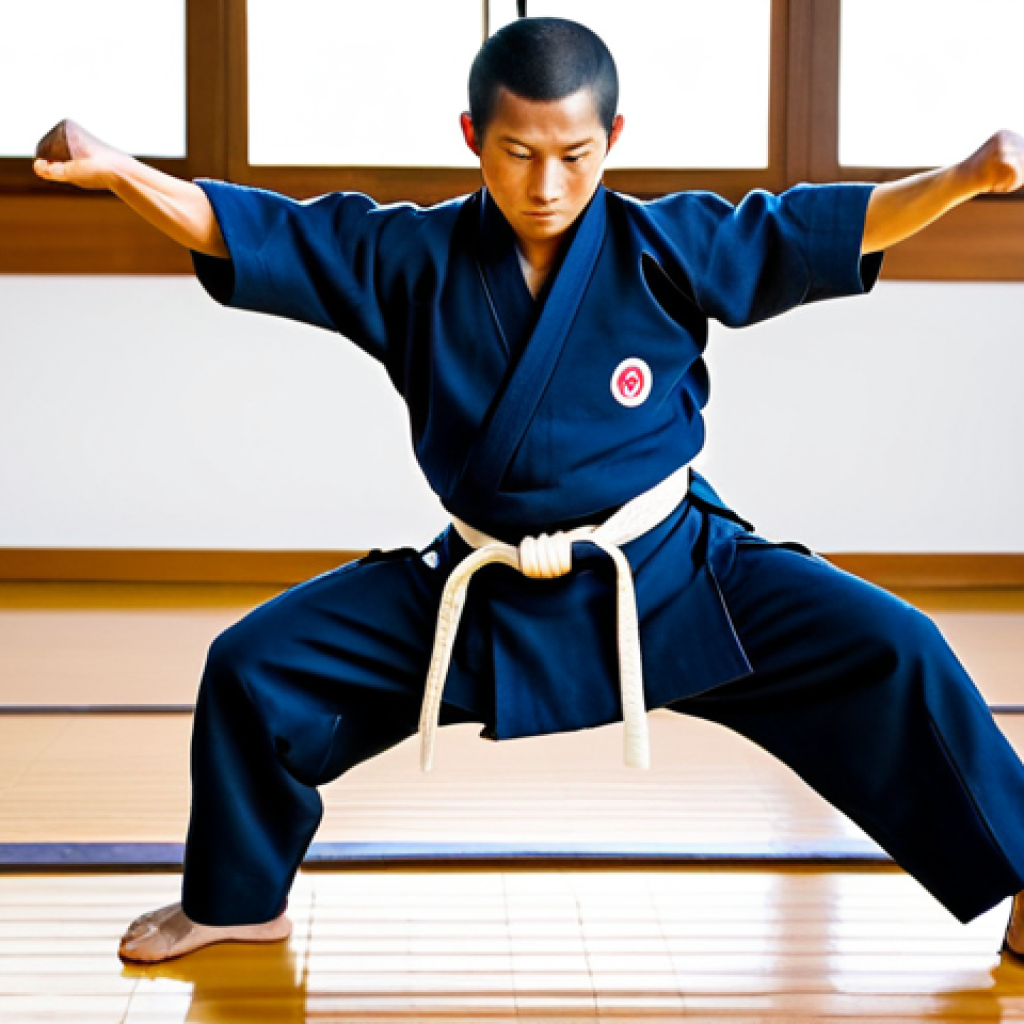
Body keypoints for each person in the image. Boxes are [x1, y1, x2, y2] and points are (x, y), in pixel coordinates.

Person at [33, 17, 1024, 965]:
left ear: (614, 139)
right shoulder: (405, 259)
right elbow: (252, 229)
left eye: (574, 155)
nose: (546, 184)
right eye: (515, 153)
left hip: (672, 574)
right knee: (251, 667)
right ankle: (237, 901)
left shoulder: (666, 246)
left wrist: (968, 178)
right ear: (471, 136)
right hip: (488, 584)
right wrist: (121, 169)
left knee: (896, 645)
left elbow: (814, 229)